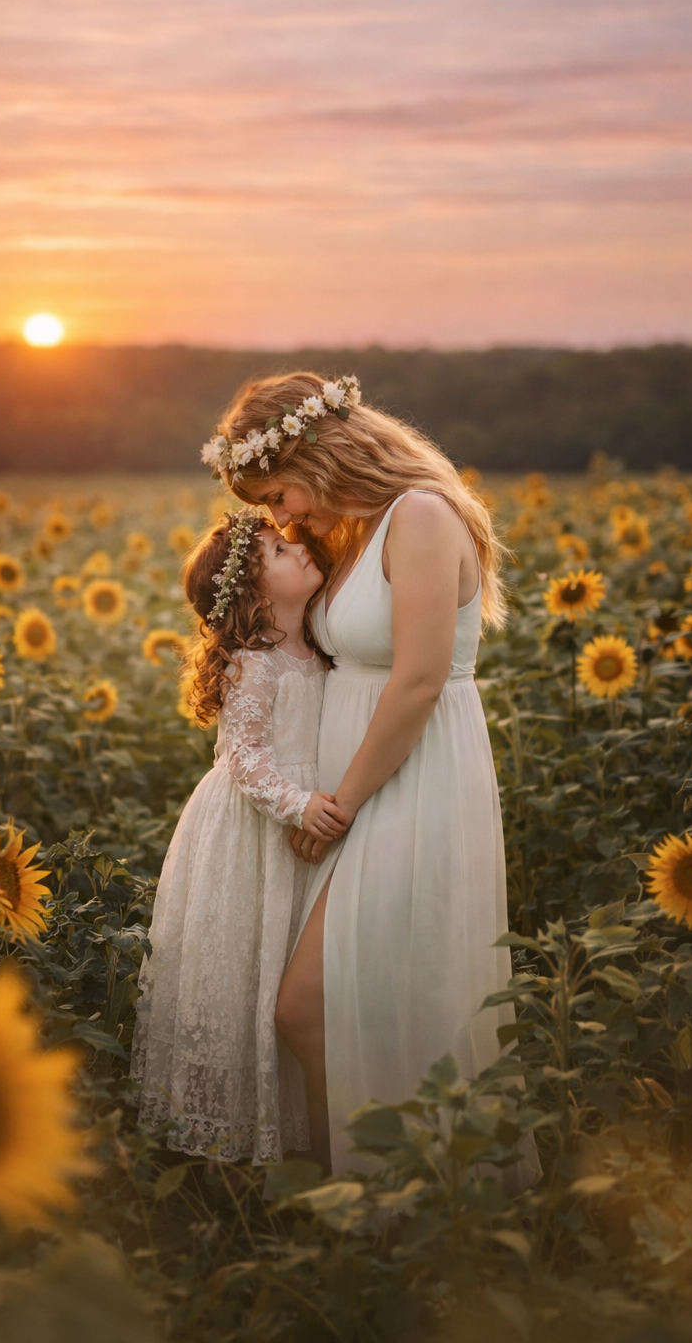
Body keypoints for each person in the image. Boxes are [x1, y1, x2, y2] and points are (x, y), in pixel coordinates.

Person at [203, 373, 536, 1180]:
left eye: (278, 494)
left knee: (313, 1006)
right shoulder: (357, 530)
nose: (280, 518)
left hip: (407, 777)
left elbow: (419, 680)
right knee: (361, 997)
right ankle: (367, 1199)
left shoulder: (419, 515)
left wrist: (340, 805)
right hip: (356, 775)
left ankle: (388, 1197)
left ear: (316, 453)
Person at [131, 510, 349, 1163]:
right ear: (255, 593)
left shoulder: (316, 643)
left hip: (306, 818)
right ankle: (246, 1145)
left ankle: (309, 1129)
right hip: (257, 831)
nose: (298, 548)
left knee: (294, 957)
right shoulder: (256, 664)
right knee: (254, 965)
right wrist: (297, 804)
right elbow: (244, 757)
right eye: (281, 550)